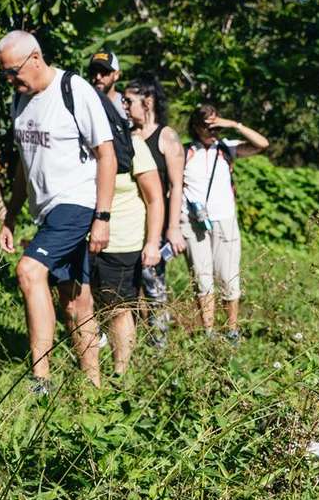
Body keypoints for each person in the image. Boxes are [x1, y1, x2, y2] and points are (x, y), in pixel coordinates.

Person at [0, 31, 116, 395]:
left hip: (76, 203)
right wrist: (10, 216)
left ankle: (40, 379)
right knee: (75, 300)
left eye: (13, 72)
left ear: (35, 58)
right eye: (5, 75)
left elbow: (105, 154)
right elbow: (23, 165)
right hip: (45, 211)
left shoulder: (73, 90)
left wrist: (102, 217)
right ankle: (94, 385)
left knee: (29, 272)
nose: (11, 80)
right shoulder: (20, 100)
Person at [180, 103, 269, 341]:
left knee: (228, 276)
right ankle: (208, 331)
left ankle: (231, 330)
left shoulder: (226, 149)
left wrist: (233, 125)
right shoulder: (186, 152)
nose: (212, 130)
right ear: (196, 127)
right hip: (192, 221)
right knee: (202, 277)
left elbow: (262, 144)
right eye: (207, 126)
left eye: (215, 124)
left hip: (224, 219)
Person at [86, 112, 164, 381]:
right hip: (84, 238)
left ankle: (121, 372)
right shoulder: (83, 145)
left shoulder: (132, 145)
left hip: (121, 240)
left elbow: (155, 198)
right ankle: (91, 372)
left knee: (118, 308)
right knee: (87, 304)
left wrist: (152, 242)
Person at [123, 77, 185, 340]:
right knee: (128, 283)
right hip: (129, 219)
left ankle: (159, 342)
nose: (124, 106)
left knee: (153, 282)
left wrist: (173, 228)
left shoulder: (166, 137)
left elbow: (176, 185)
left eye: (129, 101)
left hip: (156, 222)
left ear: (147, 102)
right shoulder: (126, 136)